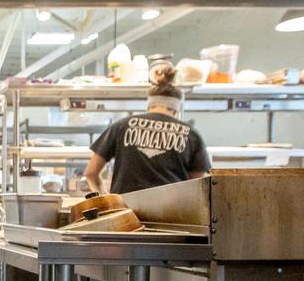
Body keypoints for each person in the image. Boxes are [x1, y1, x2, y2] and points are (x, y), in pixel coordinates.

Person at [84, 64, 211, 194]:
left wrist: (105, 202)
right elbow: (199, 186)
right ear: (176, 109)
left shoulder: (121, 126)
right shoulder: (191, 134)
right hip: (173, 211)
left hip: (126, 211)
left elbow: (91, 173)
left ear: (149, 105)